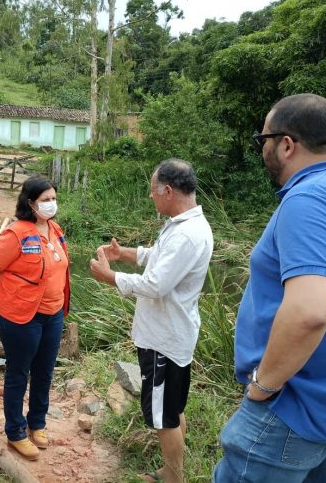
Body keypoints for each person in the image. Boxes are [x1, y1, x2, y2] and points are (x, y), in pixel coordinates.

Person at [213, 94, 326, 482]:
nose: (262, 151)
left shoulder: (312, 198)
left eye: (263, 141)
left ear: (286, 143)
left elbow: (310, 311)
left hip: (292, 408)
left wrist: (262, 387)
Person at [90, 159, 213, 483]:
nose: (150, 197)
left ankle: (173, 478)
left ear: (168, 191)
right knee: (173, 408)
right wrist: (125, 253)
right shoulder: (181, 224)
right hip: (170, 335)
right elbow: (156, 256)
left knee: (163, 417)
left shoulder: (187, 235)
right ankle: (172, 469)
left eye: (152, 191)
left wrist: (111, 276)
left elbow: (156, 284)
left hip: (164, 340)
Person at [0, 176, 71, 461]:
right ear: (30, 203)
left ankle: (37, 423)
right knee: (19, 372)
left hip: (53, 314)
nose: (51, 204)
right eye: (45, 200)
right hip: (20, 317)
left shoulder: (55, 230)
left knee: (44, 371)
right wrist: (9, 298)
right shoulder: (15, 233)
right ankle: (16, 432)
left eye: (53, 198)